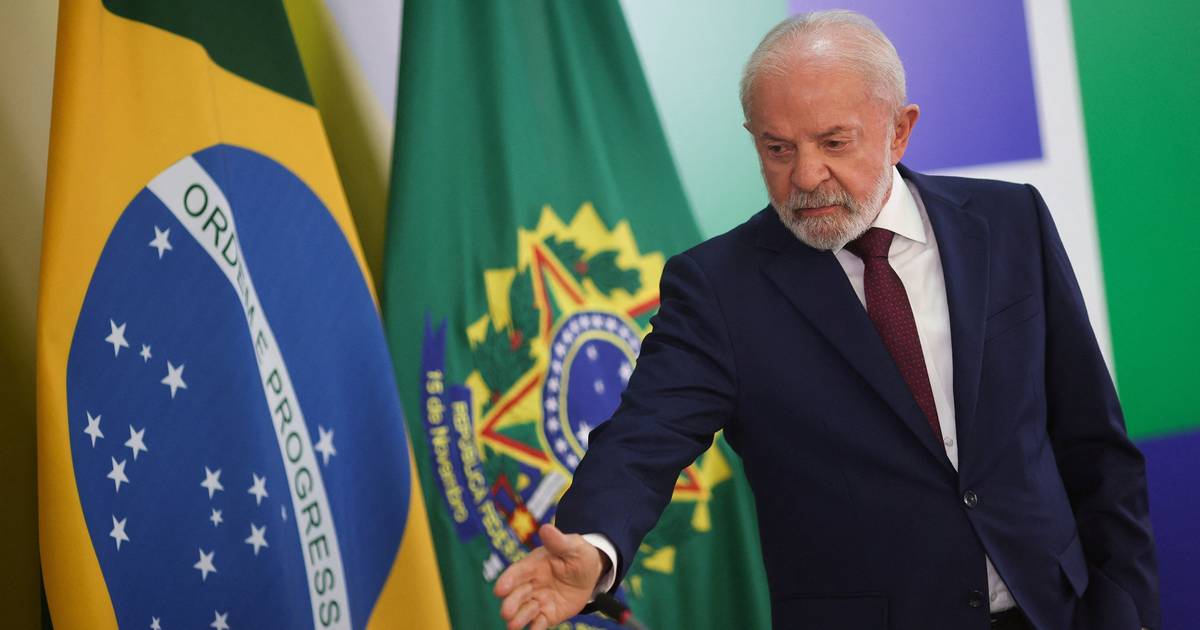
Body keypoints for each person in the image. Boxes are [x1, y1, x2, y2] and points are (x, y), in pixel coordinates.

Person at [493, 10, 1159, 630]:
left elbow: (1093, 445)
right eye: (778, 149)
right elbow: (645, 435)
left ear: (899, 130)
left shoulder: (1010, 221)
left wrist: (1125, 608)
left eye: (834, 142)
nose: (807, 176)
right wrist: (595, 543)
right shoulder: (718, 288)